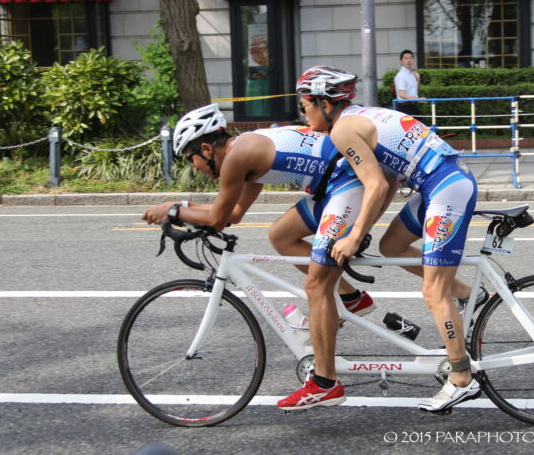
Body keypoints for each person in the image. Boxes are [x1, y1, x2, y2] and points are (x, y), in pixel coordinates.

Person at [288, 66, 483, 414]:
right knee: (391, 247)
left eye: (306, 105)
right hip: (440, 182)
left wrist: (353, 236)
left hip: (445, 187)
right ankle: (467, 294)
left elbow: (375, 185)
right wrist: (360, 231)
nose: (303, 113)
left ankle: (461, 379)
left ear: (324, 103)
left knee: (433, 291)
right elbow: (388, 183)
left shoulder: (343, 130)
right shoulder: (360, 118)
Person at [140, 103, 375, 317]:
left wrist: (172, 211)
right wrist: (182, 207)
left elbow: (218, 220)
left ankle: (323, 347)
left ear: (206, 149)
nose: (194, 167)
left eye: (191, 159)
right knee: (280, 235)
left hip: (346, 185)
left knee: (316, 286)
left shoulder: (238, 158)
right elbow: (234, 213)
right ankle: (351, 298)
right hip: (330, 189)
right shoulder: (246, 147)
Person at [393, 49, 423, 117]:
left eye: (410, 58)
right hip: (404, 107)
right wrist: (418, 99)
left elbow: (415, 92)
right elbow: (402, 94)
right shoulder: (401, 75)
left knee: (421, 125)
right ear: (401, 61)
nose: (409, 60)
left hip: (413, 106)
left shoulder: (413, 74)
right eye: (406, 58)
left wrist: (418, 79)